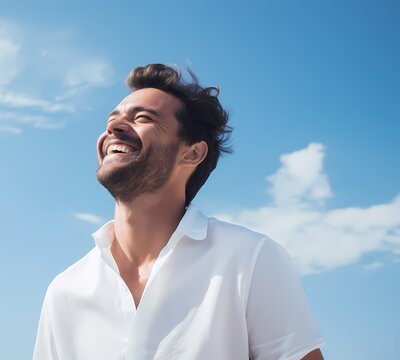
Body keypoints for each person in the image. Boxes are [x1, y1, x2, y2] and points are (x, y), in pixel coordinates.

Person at [33, 64, 325, 360]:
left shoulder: (249, 259)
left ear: (192, 152)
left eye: (143, 118)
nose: (114, 127)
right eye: (113, 119)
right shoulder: (65, 290)